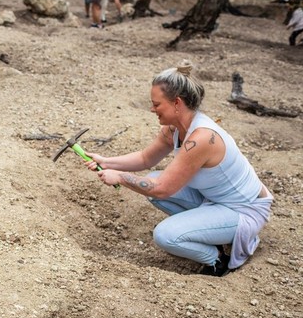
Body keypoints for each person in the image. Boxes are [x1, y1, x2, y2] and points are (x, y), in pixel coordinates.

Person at [84, 65, 273, 277]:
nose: (152, 109)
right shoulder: (175, 128)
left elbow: (162, 189)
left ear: (177, 103)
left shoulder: (202, 138)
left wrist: (120, 177)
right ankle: (207, 234)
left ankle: (217, 260)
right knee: (153, 177)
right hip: (214, 199)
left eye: (156, 104)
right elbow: (146, 158)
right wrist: (107, 162)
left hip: (243, 210)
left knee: (165, 235)